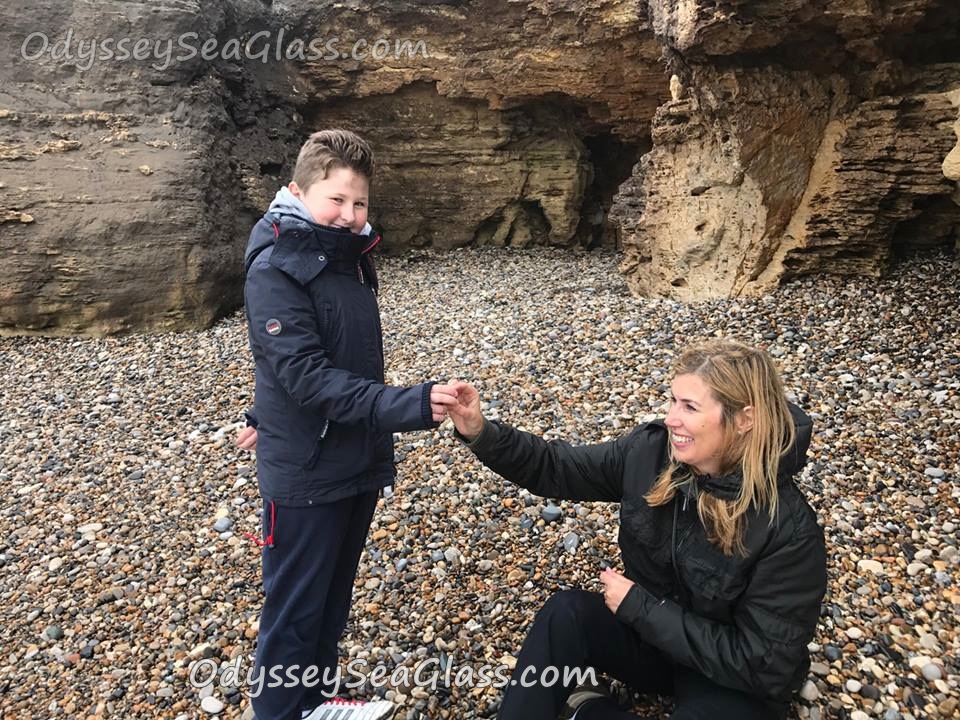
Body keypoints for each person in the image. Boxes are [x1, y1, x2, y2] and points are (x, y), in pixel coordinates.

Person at [437, 340, 827, 720]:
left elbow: (764, 662)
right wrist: (480, 431)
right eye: (673, 400)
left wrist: (641, 608)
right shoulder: (650, 453)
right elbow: (556, 467)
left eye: (689, 407)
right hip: (654, 647)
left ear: (745, 419)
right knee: (565, 615)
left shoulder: (787, 529)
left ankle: (587, 709)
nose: (671, 418)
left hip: (730, 683)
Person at [237, 128, 456, 720]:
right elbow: (305, 376)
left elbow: (322, 355)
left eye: (359, 203)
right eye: (335, 200)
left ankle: (314, 701)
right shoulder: (276, 266)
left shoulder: (349, 259)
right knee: (295, 608)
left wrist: (262, 410)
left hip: (353, 453)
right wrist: (411, 405)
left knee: (332, 598)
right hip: (307, 468)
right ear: (297, 191)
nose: (349, 215)